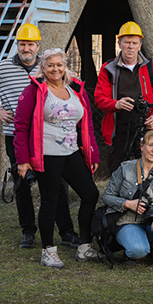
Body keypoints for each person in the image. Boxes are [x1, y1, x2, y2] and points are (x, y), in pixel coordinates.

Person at [0, 23, 79, 250]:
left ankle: (67, 232)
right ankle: (28, 232)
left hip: (46, 136)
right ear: (17, 45)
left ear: (38, 45)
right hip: (17, 135)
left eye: (30, 44)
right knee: (22, 185)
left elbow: (69, 87)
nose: (26, 48)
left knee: (57, 184)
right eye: (22, 44)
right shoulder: (3, 68)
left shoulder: (48, 67)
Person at [13, 48, 101, 269]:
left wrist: (93, 154)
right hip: (47, 155)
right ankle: (48, 251)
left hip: (72, 153)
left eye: (59, 64)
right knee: (50, 201)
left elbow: (87, 125)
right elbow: (21, 126)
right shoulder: (35, 91)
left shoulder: (76, 89)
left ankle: (84, 246)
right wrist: (23, 160)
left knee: (90, 194)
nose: (55, 69)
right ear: (43, 67)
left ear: (65, 67)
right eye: (50, 65)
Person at [95, 21, 153, 173]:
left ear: (140, 45)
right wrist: (116, 104)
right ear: (119, 43)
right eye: (127, 42)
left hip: (146, 129)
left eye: (134, 43)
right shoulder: (108, 68)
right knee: (116, 172)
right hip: (119, 130)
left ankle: (148, 198)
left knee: (149, 173)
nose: (130, 46)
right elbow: (100, 98)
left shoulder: (150, 67)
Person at [101, 130, 153, 268]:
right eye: (151, 145)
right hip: (127, 222)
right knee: (138, 250)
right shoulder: (125, 168)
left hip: (151, 222)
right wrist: (126, 203)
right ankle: (135, 248)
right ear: (142, 146)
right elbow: (107, 196)